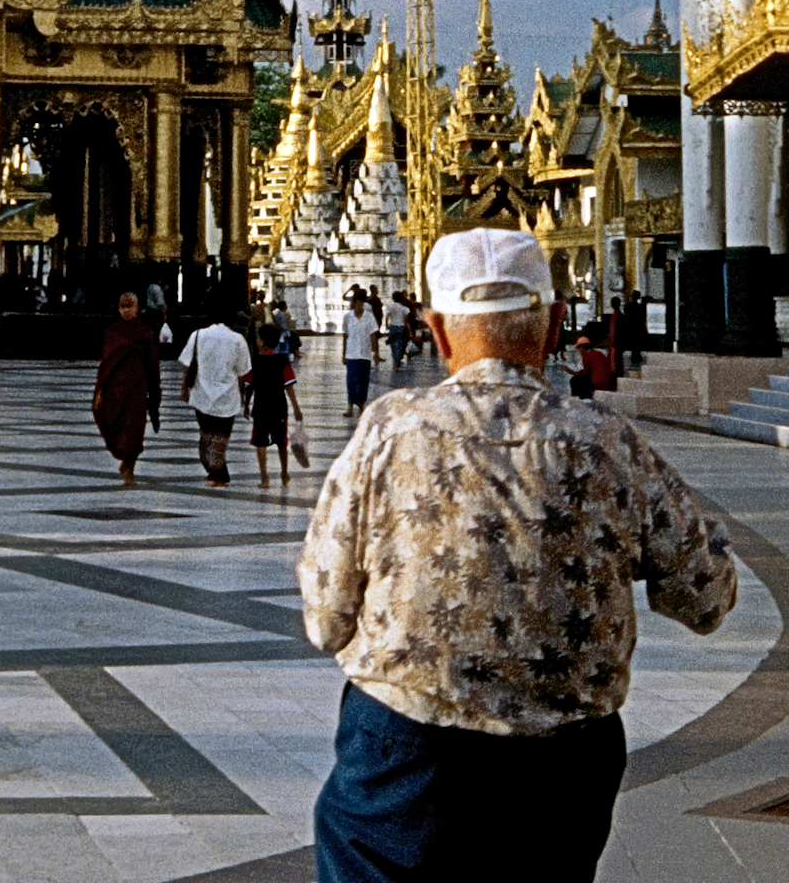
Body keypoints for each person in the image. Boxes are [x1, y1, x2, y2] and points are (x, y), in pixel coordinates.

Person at [300, 229, 736, 883]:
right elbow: (703, 596)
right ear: (555, 323)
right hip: (562, 763)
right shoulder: (606, 440)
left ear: (439, 333)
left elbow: (325, 615)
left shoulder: (389, 431)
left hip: (407, 748)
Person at [91, 291, 161, 484]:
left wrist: (154, 393)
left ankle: (130, 467)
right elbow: (106, 363)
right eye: (123, 307)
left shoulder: (145, 333)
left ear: (137, 309)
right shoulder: (112, 332)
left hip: (136, 389)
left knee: (134, 430)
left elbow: (153, 365)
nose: (126, 311)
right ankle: (125, 460)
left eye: (130, 307)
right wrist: (100, 390)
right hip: (114, 388)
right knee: (112, 424)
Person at [177, 311, 253, 487]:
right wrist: (242, 395)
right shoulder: (238, 340)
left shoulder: (197, 335)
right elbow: (243, 372)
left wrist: (184, 389)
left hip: (201, 393)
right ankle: (218, 473)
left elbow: (188, 364)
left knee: (207, 434)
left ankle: (217, 471)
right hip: (228, 396)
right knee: (221, 437)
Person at [246, 321, 302, 487]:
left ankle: (265, 478)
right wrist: (296, 408)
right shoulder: (282, 360)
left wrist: (246, 404)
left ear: (262, 341)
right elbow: (289, 386)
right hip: (279, 408)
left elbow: (249, 385)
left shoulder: (255, 362)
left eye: (257, 338)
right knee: (281, 442)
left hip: (261, 408)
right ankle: (284, 473)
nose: (256, 340)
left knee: (260, 442)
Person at [341, 289, 377, 414]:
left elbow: (373, 335)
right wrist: (343, 353)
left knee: (363, 381)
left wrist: (376, 352)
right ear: (354, 303)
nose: (359, 305)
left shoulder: (369, 317)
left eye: (361, 303)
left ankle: (361, 404)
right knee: (351, 380)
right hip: (351, 354)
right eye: (357, 303)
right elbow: (345, 335)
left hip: (365, 354)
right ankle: (350, 406)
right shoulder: (348, 317)